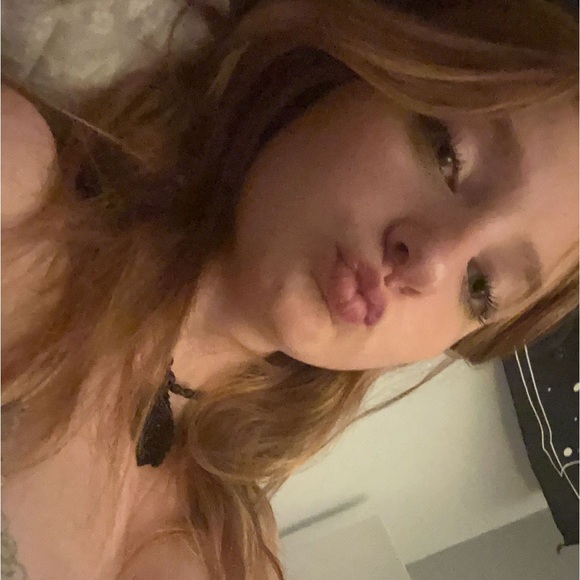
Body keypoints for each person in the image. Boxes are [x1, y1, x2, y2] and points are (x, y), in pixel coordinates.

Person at [2, 0, 578, 578]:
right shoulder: (16, 199)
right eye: (447, 153)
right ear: (348, 68)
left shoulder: (235, 556)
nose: (431, 264)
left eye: (480, 286)